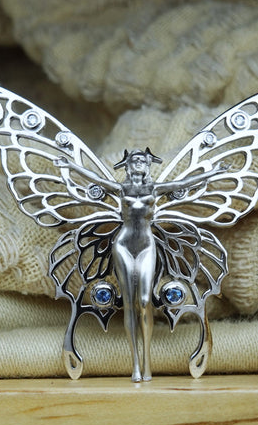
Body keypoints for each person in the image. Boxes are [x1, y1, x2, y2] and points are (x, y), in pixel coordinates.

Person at [55, 148, 224, 381]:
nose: (138, 164)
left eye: (142, 161)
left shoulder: (153, 189)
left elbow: (183, 183)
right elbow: (96, 179)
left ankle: (147, 363)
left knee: (145, 302)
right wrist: (70, 166)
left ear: (147, 165)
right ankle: (135, 364)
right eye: (134, 160)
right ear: (127, 165)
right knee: (129, 303)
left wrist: (212, 173)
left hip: (146, 245)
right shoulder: (122, 189)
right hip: (123, 245)